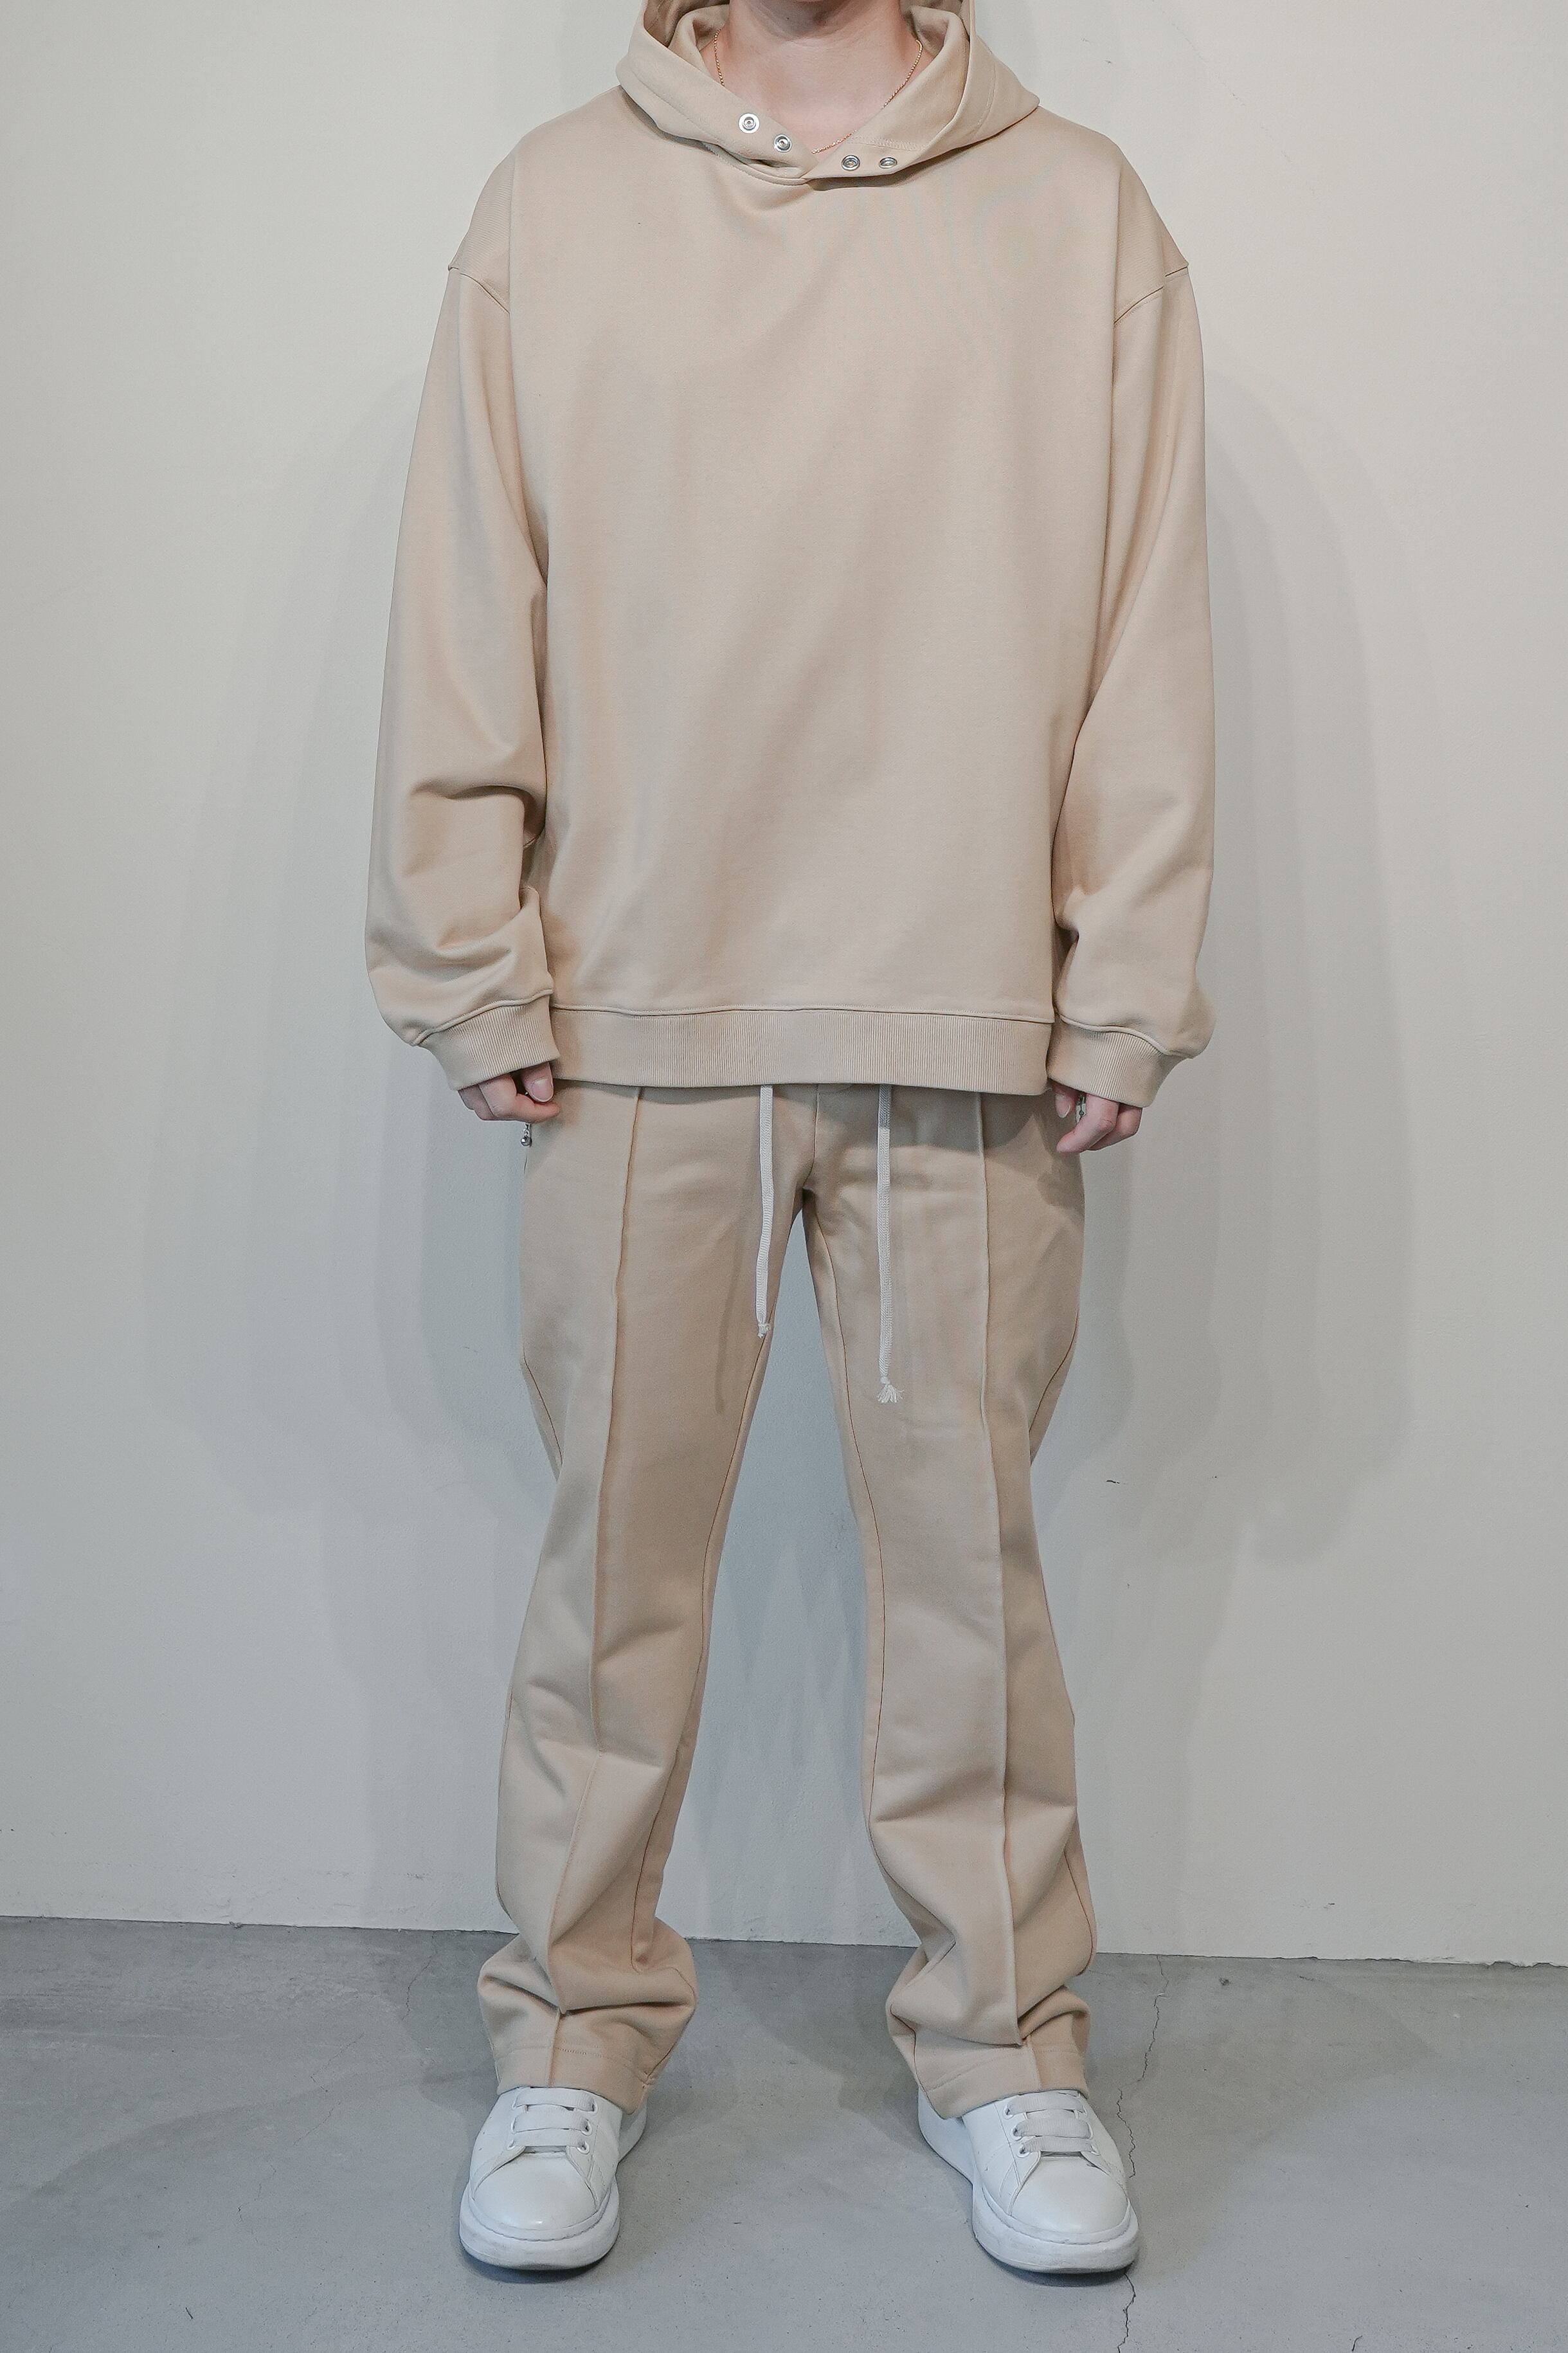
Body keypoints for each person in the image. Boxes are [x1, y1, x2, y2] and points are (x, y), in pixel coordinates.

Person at [366, 0, 1214, 2280]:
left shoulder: (1078, 215)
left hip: (968, 1001)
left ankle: (1008, 2049)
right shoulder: (558, 206)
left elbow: (1145, 620)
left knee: (971, 1581)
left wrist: (1126, 969)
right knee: (612, 1577)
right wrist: (468, 948)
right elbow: (470, 593)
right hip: (641, 1004)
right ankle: (572, 2033)